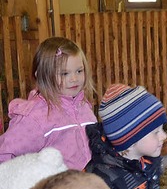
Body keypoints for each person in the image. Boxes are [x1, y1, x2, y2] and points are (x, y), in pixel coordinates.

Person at [0, 37, 96, 170]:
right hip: (56, 188)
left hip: (88, 183)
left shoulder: (83, 106)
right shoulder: (36, 117)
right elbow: (5, 152)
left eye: (79, 71)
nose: (74, 78)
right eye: (64, 73)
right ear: (42, 76)